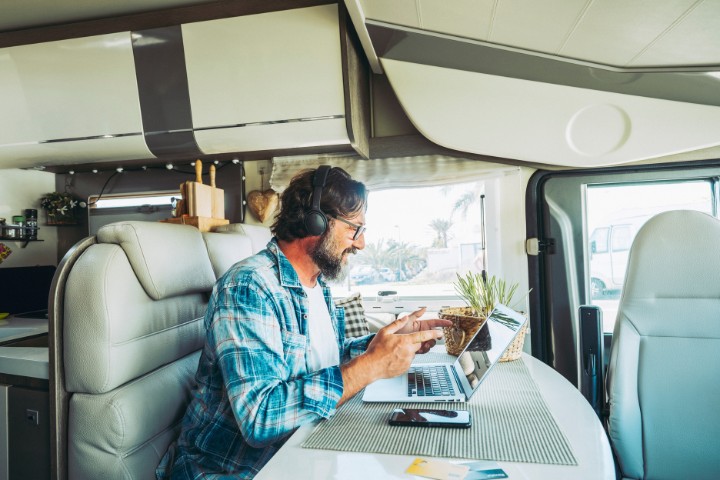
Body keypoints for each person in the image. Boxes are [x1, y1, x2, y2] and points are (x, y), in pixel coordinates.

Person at [157, 165, 451, 479]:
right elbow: (260, 418)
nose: (361, 243)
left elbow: (324, 361)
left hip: (301, 450)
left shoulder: (315, 284)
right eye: (355, 229)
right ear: (316, 221)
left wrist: (385, 344)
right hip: (236, 470)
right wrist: (372, 366)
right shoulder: (249, 288)